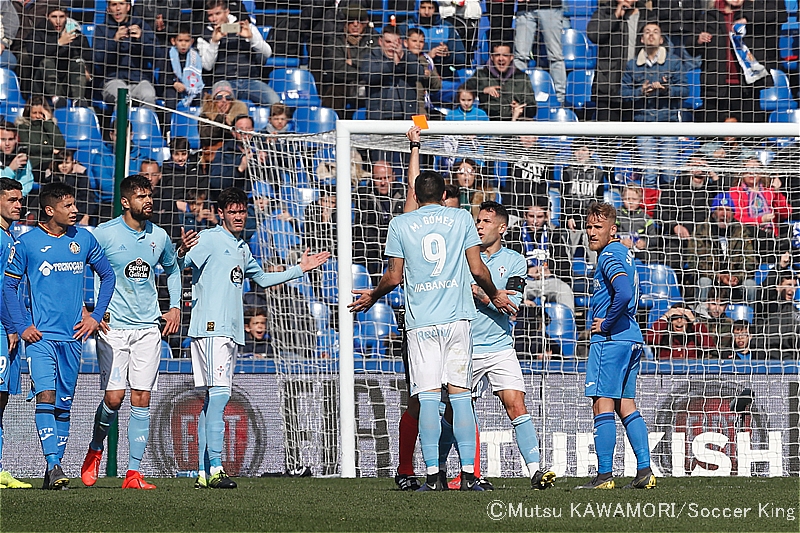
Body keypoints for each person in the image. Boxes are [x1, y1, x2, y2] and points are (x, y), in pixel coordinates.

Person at [349, 167, 517, 492]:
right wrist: (495, 293)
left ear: (414, 196)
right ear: (443, 196)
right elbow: (478, 268)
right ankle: (469, 475)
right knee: (461, 398)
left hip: (421, 324)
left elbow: (394, 277)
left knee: (426, 400)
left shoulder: (400, 224)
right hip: (457, 320)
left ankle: (431, 477)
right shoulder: (461, 219)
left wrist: (373, 294)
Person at [178, 187, 330, 489]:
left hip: (229, 332)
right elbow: (178, 265)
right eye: (232, 212)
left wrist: (299, 269)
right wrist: (182, 251)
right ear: (220, 214)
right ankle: (218, 469)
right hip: (211, 328)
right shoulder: (209, 239)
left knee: (213, 401)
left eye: (242, 211)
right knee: (219, 397)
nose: (238, 216)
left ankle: (203, 473)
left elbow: (261, 278)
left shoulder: (242, 248)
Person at [2, 182, 115, 490]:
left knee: (64, 405)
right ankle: (54, 464)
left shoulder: (84, 239)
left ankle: (54, 475)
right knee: (46, 398)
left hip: (73, 339)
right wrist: (23, 324)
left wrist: (94, 315)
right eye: (68, 206)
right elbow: (9, 287)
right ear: (50, 210)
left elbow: (108, 275)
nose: (75, 210)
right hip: (40, 340)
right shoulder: (27, 243)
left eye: (75, 204)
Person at [440, 201, 556, 490]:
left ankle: (535, 471)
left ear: (502, 228)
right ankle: (438, 471)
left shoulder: (516, 261)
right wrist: (494, 295)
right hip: (464, 346)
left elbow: (512, 305)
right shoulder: (462, 257)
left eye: (486, 222)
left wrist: (481, 292)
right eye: (478, 221)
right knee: (454, 412)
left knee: (516, 404)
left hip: (500, 346)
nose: (479, 225)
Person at [79, 175, 182, 490]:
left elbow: (173, 268)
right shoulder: (104, 234)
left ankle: (133, 473)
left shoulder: (160, 236)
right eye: (140, 196)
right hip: (114, 327)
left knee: (142, 397)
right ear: (125, 202)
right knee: (114, 397)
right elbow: (76, 268)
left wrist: (175, 306)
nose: (147, 201)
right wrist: (88, 310)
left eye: (149, 195)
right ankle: (95, 449)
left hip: (148, 328)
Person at [580, 201, 654, 489]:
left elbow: (622, 294)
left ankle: (604, 476)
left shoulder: (608, 255)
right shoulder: (624, 253)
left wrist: (606, 324)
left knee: (601, 404)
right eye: (588, 226)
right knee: (626, 405)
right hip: (632, 338)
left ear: (613, 229)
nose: (591, 232)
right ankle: (645, 471)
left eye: (598, 227)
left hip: (611, 339)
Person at [619, 21, 687, 186]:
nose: (651, 35)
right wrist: (640, 92)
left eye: (655, 32)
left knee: (669, 173)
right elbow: (623, 94)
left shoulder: (674, 62)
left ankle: (667, 208)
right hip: (644, 124)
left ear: (661, 39)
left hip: (668, 123)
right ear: (641, 39)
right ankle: (649, 211)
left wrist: (666, 90)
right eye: (647, 32)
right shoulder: (632, 65)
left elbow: (685, 91)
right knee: (649, 173)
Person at [0, 178, 30, 489]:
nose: (18, 204)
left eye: (20, 199)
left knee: (2, 399)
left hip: (8, 325)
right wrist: (11, 325)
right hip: (1, 326)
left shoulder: (11, 237)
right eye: (11, 199)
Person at [196, 0, 279, 105]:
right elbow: (207, 66)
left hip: (250, 80)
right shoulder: (204, 36)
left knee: (275, 102)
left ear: (227, 12)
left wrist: (251, 38)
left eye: (217, 13)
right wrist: (214, 42)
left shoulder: (247, 27)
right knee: (221, 103)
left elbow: (267, 53)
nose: (214, 19)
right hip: (223, 81)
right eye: (210, 15)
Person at [587, 0, 653, 121]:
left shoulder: (648, 16)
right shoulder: (605, 12)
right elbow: (593, 35)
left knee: (631, 138)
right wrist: (615, 16)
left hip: (636, 88)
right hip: (608, 86)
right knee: (605, 137)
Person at [688, 192, 759, 303]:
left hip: (734, 282)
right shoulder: (701, 230)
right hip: (710, 279)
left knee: (750, 285)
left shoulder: (741, 231)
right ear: (713, 213)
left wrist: (737, 277)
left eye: (728, 210)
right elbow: (693, 261)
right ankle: (700, 315)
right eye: (720, 209)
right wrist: (716, 276)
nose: (724, 214)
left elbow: (751, 261)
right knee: (704, 282)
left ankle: (750, 318)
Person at [93, 0, 159, 105]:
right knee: (122, 97)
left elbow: (157, 56)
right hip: (113, 80)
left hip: (139, 80)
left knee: (149, 95)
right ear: (109, 9)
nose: (118, 8)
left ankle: (144, 122)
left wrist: (142, 39)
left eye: (121, 4)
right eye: (114, 5)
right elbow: (99, 59)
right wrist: (114, 41)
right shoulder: (101, 30)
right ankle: (119, 122)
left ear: (128, 7)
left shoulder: (142, 26)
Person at [28, 4, 92, 108]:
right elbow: (34, 55)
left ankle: (78, 100)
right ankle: (56, 98)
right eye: (54, 17)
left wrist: (87, 70)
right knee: (47, 61)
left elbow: (87, 56)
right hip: (43, 83)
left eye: (61, 17)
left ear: (66, 16)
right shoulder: (38, 33)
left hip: (68, 81)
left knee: (78, 61)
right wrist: (58, 43)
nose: (58, 21)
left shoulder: (76, 35)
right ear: (47, 16)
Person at [353, 160, 405, 282]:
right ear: (372, 179)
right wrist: (381, 243)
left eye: (386, 177)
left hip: (398, 246)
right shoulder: (364, 195)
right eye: (378, 178)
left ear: (394, 176)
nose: (383, 182)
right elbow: (363, 226)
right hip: (373, 249)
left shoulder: (404, 193)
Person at [320, 6, 376, 119]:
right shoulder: (336, 40)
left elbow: (377, 65)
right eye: (351, 21)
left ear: (365, 23)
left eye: (359, 21)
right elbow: (337, 69)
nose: (355, 24)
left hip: (369, 84)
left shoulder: (374, 39)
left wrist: (353, 61)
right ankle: (331, 128)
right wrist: (363, 69)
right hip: (343, 83)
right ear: (345, 23)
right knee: (333, 94)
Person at [361, 25, 427, 121]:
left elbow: (419, 74)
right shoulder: (371, 56)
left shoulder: (408, 56)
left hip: (407, 115)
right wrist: (392, 65)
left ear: (400, 42)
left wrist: (402, 58)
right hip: (379, 116)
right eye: (388, 42)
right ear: (380, 41)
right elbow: (369, 76)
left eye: (395, 42)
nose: (392, 46)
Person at [464, 42, 537, 120]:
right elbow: (461, 95)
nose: (501, 59)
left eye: (505, 55)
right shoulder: (481, 75)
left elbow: (532, 109)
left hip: (515, 124)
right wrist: (482, 90)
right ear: (491, 57)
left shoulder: (522, 77)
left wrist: (520, 109)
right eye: (497, 55)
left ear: (511, 57)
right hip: (488, 124)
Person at [512, 0, 568, 102]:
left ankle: (560, 99)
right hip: (525, 9)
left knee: (555, 55)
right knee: (520, 56)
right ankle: (517, 95)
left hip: (549, 6)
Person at [402, 0, 468, 79]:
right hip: (414, 76)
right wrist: (427, 57)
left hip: (444, 75)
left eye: (430, 8)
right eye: (423, 7)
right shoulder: (406, 26)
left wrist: (448, 55)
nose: (426, 12)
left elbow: (461, 59)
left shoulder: (447, 27)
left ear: (436, 9)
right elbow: (401, 57)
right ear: (417, 8)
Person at [15, 96, 66, 178]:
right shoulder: (22, 127)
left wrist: (48, 122)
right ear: (29, 113)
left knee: (78, 172)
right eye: (34, 113)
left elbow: (60, 144)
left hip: (54, 164)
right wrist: (51, 149)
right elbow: (29, 147)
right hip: (35, 165)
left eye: (41, 113)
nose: (38, 116)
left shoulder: (50, 125)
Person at [646, 302, 714, 359]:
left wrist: (693, 319)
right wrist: (666, 316)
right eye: (675, 318)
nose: (679, 321)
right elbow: (650, 339)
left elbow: (708, 345)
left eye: (683, 318)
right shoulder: (663, 335)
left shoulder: (695, 336)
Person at [162, 24, 204, 111]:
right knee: (170, 97)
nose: (183, 44)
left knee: (202, 97)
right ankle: (169, 123)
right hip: (173, 87)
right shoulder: (168, 55)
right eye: (180, 40)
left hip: (192, 89)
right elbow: (162, 77)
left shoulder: (196, 57)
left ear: (192, 42)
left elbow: (199, 79)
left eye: (187, 41)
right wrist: (174, 84)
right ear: (173, 41)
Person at [403, 27, 442, 118]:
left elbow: (437, 86)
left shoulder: (427, 60)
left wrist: (429, 74)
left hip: (421, 107)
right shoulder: (400, 58)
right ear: (405, 42)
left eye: (421, 42)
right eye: (414, 41)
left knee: (422, 129)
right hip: (403, 106)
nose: (418, 44)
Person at [198, 81, 249, 147]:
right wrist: (220, 118)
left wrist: (231, 124)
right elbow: (206, 138)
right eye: (219, 97)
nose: (224, 101)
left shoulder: (239, 116)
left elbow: (243, 138)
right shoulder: (205, 116)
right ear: (213, 100)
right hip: (211, 153)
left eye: (228, 97)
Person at [616, 185, 658, 263]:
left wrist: (644, 243)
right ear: (622, 199)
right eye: (627, 199)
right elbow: (608, 236)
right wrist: (621, 242)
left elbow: (654, 239)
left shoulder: (645, 218)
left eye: (634, 199)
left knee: (653, 257)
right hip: (620, 249)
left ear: (640, 200)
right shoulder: (616, 215)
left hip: (639, 250)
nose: (630, 202)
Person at [0, 121, 33, 197]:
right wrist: (11, 169)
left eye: (10, 139)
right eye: (3, 139)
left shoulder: (21, 157)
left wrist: (14, 197)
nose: (7, 144)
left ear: (16, 139)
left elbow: (27, 183)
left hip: (17, 199)